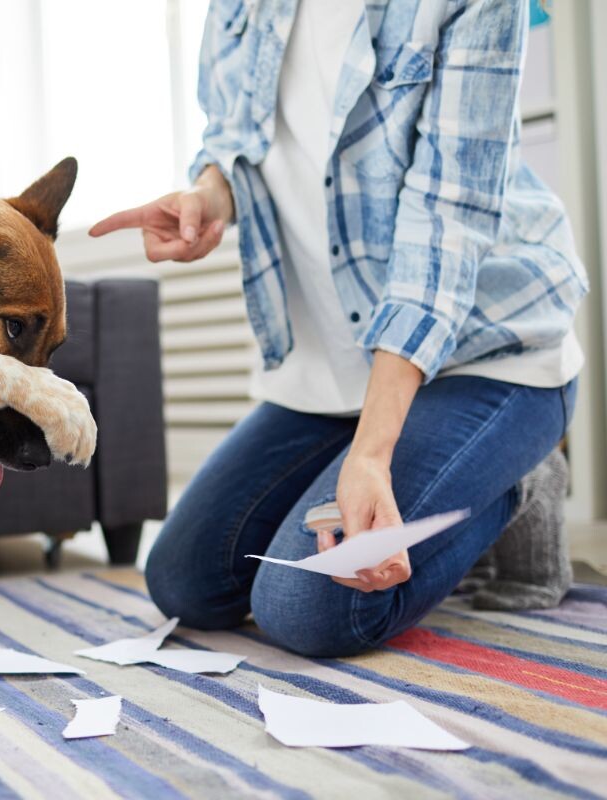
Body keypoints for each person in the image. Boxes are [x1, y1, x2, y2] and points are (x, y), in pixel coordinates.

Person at [90, 0, 586, 657]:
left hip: (491, 355)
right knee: (185, 583)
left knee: (308, 609)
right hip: (333, 375)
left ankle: (518, 480)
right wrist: (208, 196)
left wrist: (374, 454)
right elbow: (232, 137)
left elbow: (446, 224)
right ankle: (412, 463)